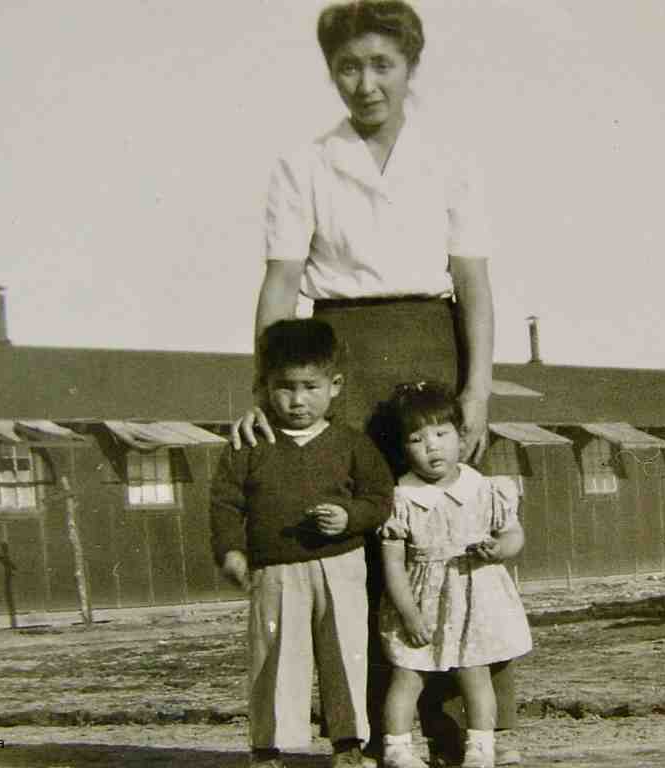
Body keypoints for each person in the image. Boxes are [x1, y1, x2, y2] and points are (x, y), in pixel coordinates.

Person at [232, 1, 521, 764]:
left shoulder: (452, 159)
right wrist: (261, 391)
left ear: (411, 68)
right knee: (354, 540)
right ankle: (364, 731)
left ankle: (464, 727)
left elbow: (476, 287)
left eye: (381, 64)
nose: (365, 83)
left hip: (432, 348)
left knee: (447, 533)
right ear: (332, 73)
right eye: (348, 67)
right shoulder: (303, 165)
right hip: (341, 356)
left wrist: (478, 391)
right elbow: (280, 286)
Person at [211, 319, 393, 768]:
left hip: (341, 565)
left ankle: (349, 745)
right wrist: (231, 552)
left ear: (334, 386)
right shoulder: (249, 443)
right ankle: (269, 749)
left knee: (345, 655)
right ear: (263, 388)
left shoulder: (352, 443)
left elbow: (380, 499)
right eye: (284, 388)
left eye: (310, 387)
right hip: (274, 571)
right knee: (275, 658)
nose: (296, 400)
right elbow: (225, 504)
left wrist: (351, 517)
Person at [376, 383, 532, 768]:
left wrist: (500, 549)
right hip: (421, 601)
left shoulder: (483, 488)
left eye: (441, 435)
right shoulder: (401, 499)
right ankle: (397, 750)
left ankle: (480, 749)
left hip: (475, 599)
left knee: (475, 673)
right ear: (403, 447)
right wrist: (408, 613)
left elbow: (513, 533)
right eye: (417, 438)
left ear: (461, 438)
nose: (432, 447)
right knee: (408, 674)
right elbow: (393, 562)